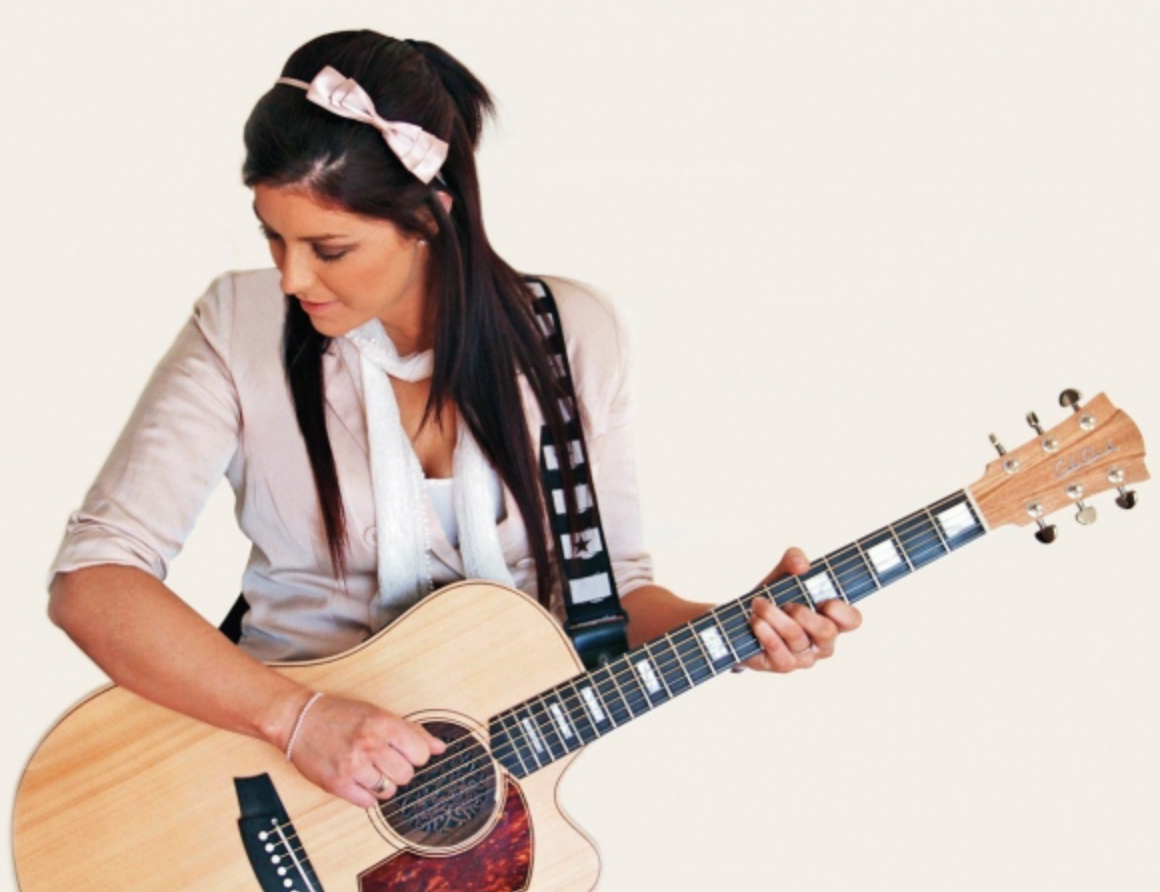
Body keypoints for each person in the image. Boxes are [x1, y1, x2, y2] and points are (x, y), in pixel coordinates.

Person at [45, 29, 862, 810]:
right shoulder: (240, 324)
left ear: (429, 219)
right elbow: (94, 579)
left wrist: (740, 630)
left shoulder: (575, 336)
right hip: (268, 785)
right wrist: (296, 720)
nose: (292, 278)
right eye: (273, 237)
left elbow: (609, 595)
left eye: (329, 249)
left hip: (488, 809)